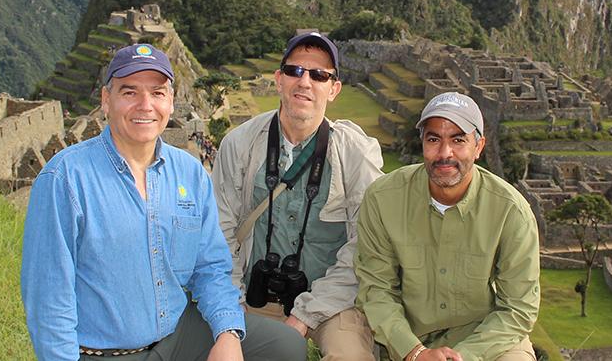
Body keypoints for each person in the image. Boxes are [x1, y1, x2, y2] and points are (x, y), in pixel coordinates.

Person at [21, 43, 305, 361]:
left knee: (285, 346)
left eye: (157, 93)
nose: (145, 106)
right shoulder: (65, 179)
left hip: (177, 334)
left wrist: (227, 334)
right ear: (106, 100)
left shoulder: (189, 173)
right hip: (105, 351)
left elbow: (210, 267)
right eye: (129, 92)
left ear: (170, 102)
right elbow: (48, 297)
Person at [214, 31, 384, 360]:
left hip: (333, 298)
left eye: (320, 75)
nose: (305, 82)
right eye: (295, 71)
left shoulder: (355, 154)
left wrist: (305, 316)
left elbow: (365, 247)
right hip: (251, 295)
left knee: (350, 356)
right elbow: (221, 234)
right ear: (279, 80)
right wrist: (230, 311)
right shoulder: (241, 145)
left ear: (333, 89)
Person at [356, 92, 540, 361]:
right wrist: (414, 352)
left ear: (479, 147)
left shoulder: (511, 211)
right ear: (422, 144)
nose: (445, 153)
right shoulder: (382, 199)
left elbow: (519, 308)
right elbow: (376, 289)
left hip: (484, 338)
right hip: (404, 338)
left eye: (458, 140)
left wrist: (464, 356)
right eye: (434, 139)